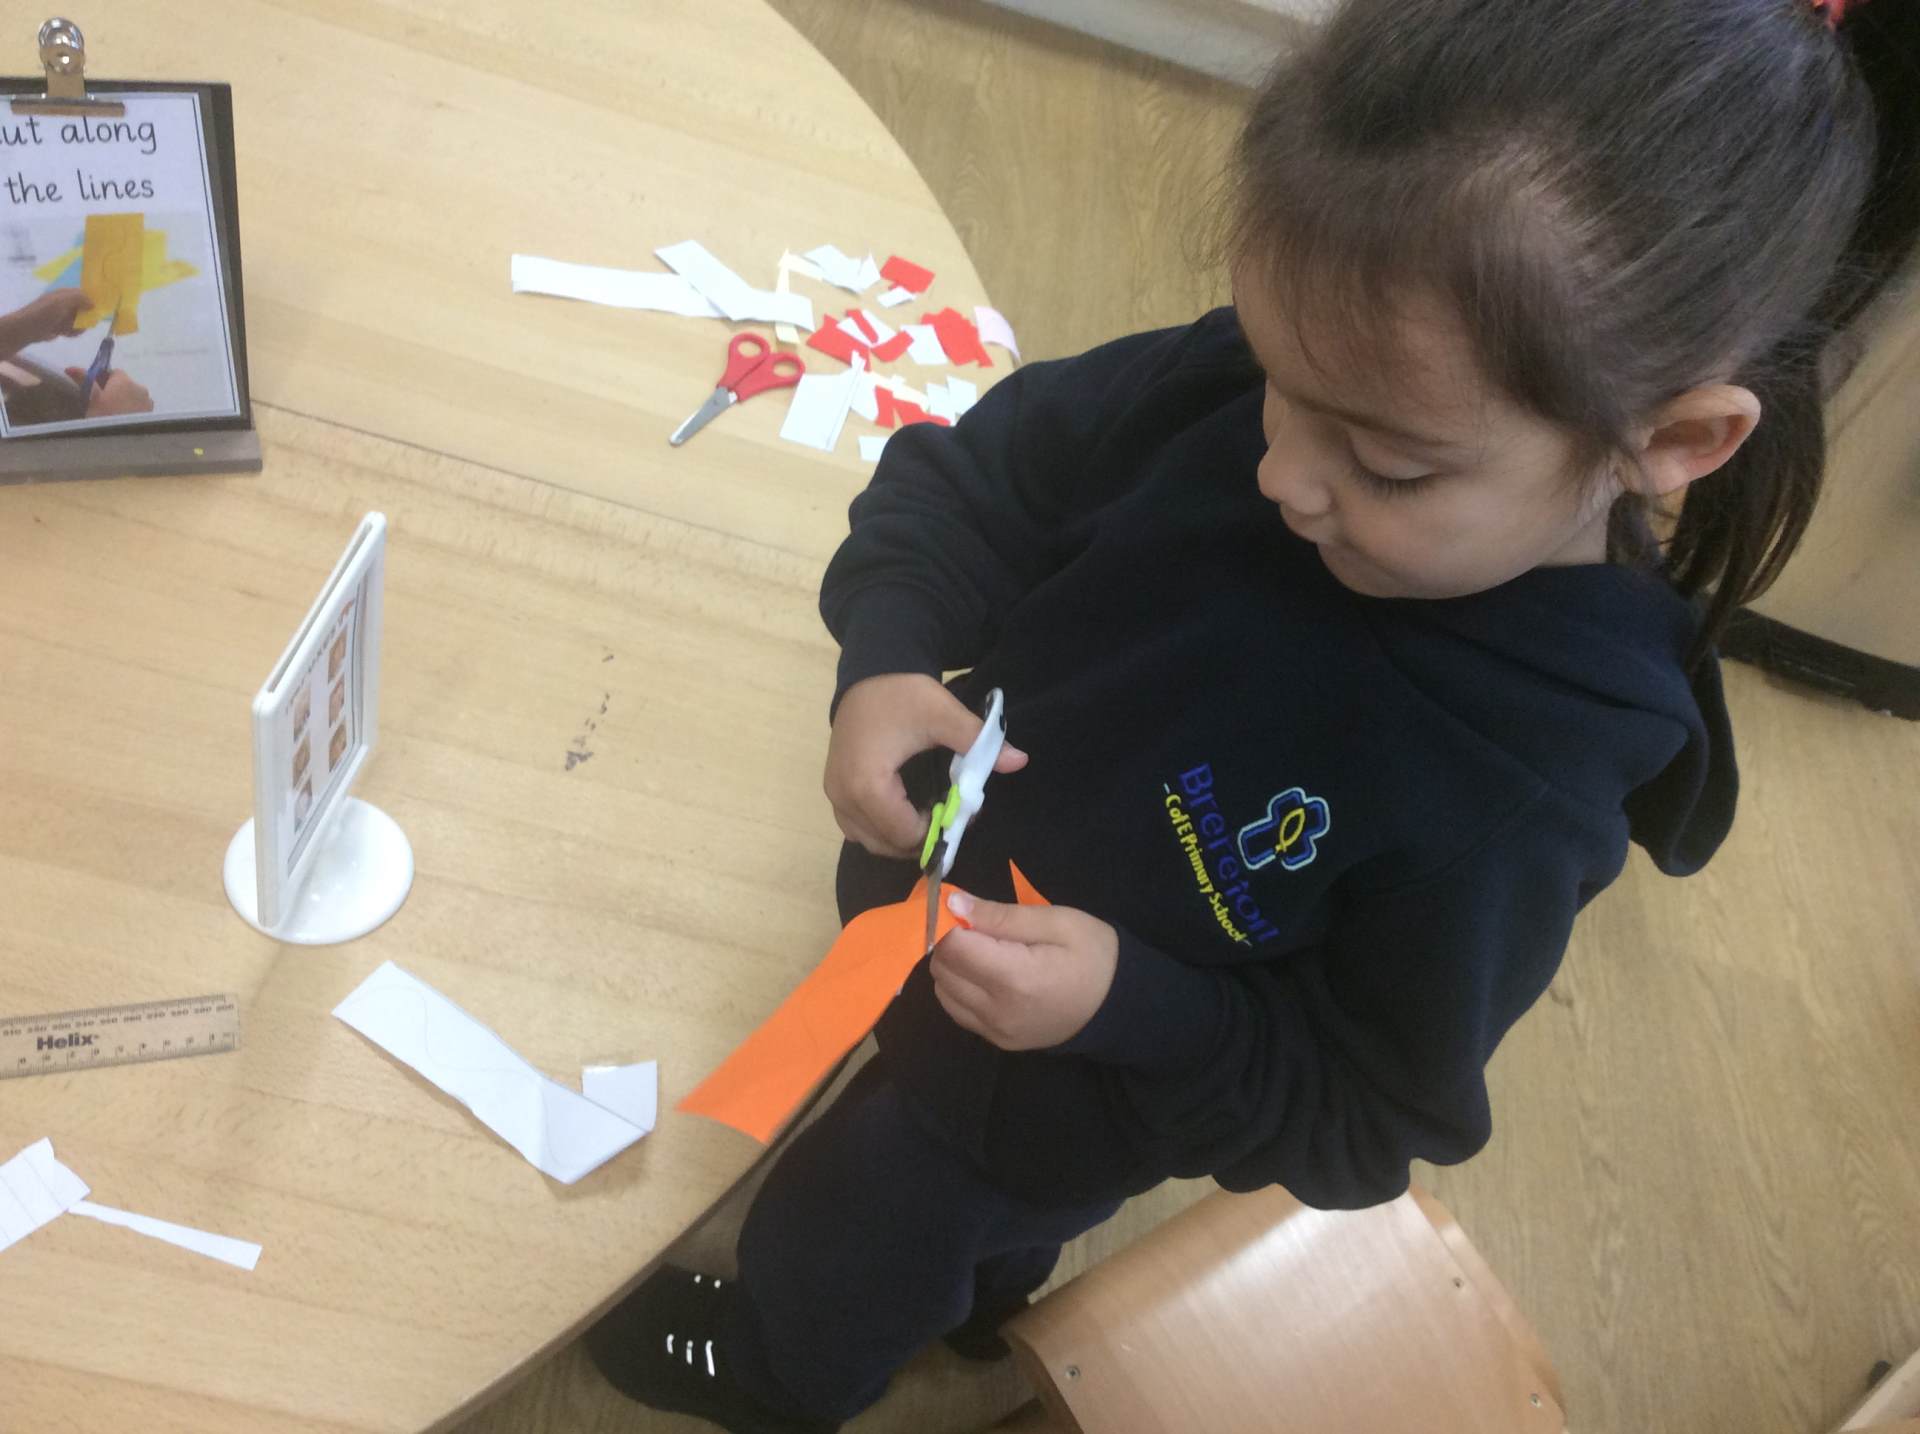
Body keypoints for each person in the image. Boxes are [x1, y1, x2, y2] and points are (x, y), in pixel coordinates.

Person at [586, 1, 1920, 1429]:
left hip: (1055, 1094)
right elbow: (982, 482)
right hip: (936, 937)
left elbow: (1365, 1113)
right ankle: (981, 1299)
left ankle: (778, 1372)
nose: (1283, 469)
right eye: (1281, 386)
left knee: (868, 1220)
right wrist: (889, 652)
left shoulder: (1517, 790)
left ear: (1673, 442)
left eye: (1387, 466)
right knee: (968, 1231)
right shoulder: (1298, 375)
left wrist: (1126, 1002)